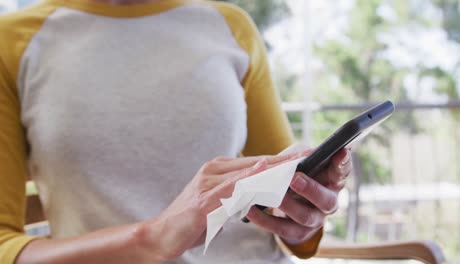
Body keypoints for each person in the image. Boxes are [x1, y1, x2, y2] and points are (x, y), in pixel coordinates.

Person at [0, 0, 353, 263]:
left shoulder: (230, 26)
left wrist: (302, 215)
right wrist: (151, 239)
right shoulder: (15, 41)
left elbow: (283, 198)